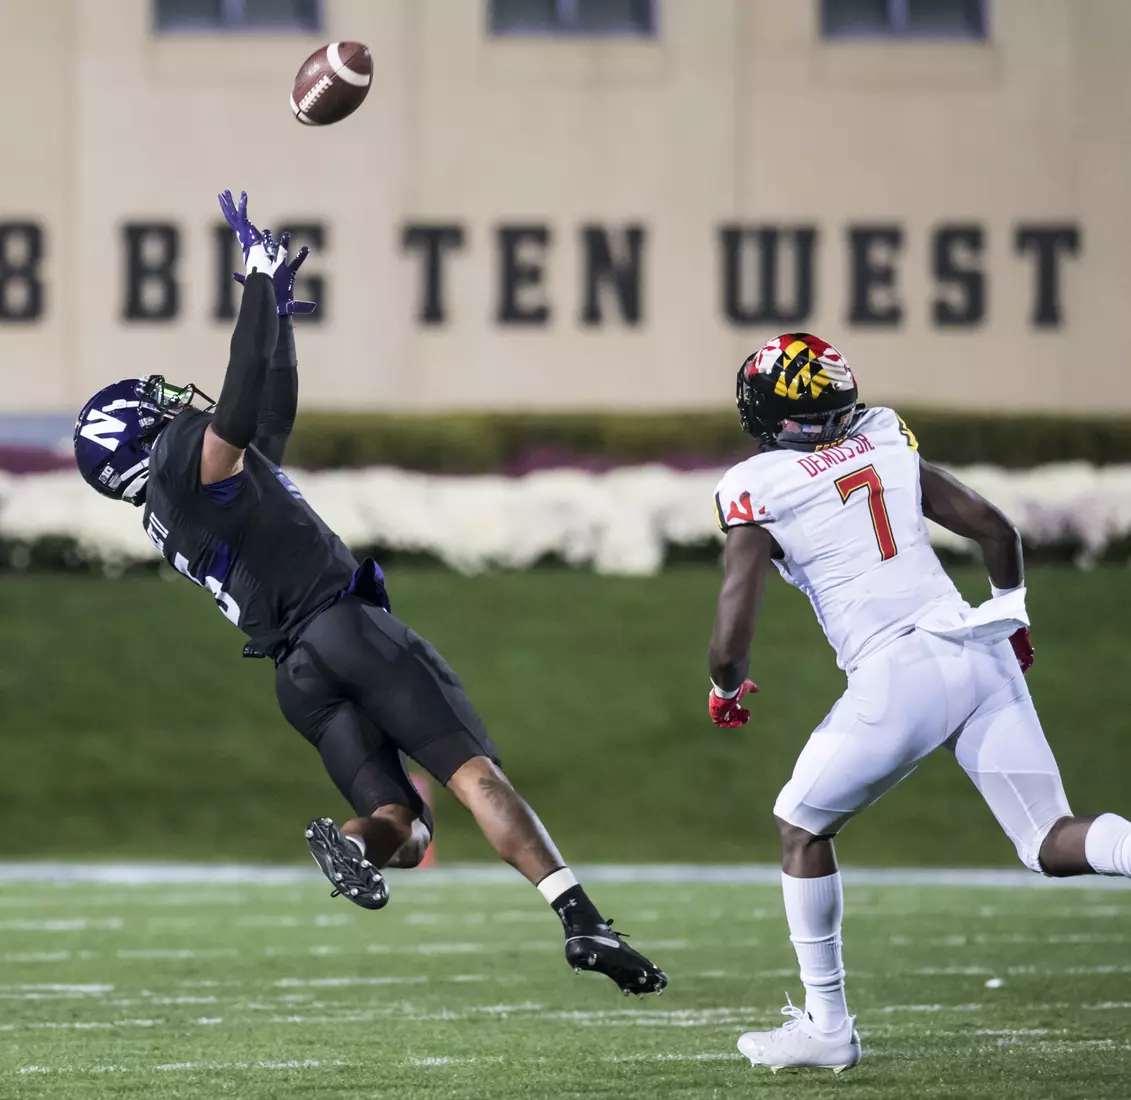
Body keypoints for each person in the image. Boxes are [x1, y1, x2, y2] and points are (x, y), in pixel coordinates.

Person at [72, 190, 667, 998]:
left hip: (297, 678)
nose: (174, 404)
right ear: (144, 437)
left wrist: (274, 317)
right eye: (157, 408)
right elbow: (240, 406)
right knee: (472, 775)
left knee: (404, 824)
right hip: (343, 627)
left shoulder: (173, 508)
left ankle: (355, 846)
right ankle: (581, 920)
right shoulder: (188, 459)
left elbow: (269, 414)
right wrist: (253, 279)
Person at [707, 332, 1131, 1074]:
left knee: (800, 827)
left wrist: (723, 683)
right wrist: (1013, 611)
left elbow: (734, 612)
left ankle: (827, 1026)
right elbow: (994, 528)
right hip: (975, 645)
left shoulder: (762, 481)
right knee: (1047, 839)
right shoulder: (882, 436)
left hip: (897, 671)